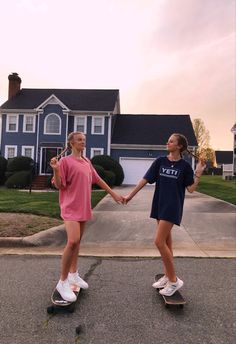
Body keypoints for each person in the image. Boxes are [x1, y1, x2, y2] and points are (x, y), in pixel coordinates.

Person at [123, 133, 206, 296]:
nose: (167, 142)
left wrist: (198, 173)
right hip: (159, 205)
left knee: (159, 242)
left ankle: (174, 281)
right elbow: (145, 180)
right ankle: (168, 275)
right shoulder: (160, 161)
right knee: (167, 242)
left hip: (172, 207)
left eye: (171, 141)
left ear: (179, 146)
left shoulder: (185, 166)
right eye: (168, 140)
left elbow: (190, 189)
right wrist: (130, 196)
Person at [50, 131, 123, 302]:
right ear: (71, 144)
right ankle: (62, 281)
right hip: (70, 208)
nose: (83, 142)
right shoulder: (64, 162)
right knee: (73, 241)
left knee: (78, 243)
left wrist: (113, 194)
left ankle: (74, 274)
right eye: (79, 140)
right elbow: (59, 185)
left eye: (84, 139)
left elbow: (97, 179)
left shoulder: (86, 161)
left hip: (83, 207)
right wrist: (56, 170)